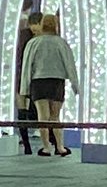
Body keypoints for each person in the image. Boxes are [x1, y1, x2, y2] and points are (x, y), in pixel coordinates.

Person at [19, 12, 79, 157]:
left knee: (42, 116)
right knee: (55, 116)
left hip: (39, 82)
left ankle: (46, 147)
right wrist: (75, 84)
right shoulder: (61, 43)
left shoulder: (33, 43)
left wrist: (24, 87)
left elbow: (27, 66)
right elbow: (69, 64)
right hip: (57, 81)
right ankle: (60, 146)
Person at [14, 3, 42, 155]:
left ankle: (38, 137)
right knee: (22, 108)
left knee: (39, 108)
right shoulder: (25, 36)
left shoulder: (46, 38)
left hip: (38, 78)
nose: (34, 29)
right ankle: (26, 143)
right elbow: (19, 57)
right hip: (24, 76)